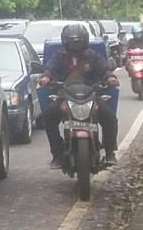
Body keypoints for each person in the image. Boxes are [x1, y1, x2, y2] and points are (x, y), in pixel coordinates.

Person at [38, 23, 120, 169]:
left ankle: (109, 153)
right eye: (72, 43)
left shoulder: (92, 56)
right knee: (48, 117)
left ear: (85, 42)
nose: (75, 47)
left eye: (78, 43)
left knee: (110, 118)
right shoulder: (59, 57)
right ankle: (57, 155)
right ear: (65, 43)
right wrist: (46, 78)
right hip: (66, 97)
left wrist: (111, 78)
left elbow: (105, 69)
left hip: (91, 96)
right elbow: (49, 69)